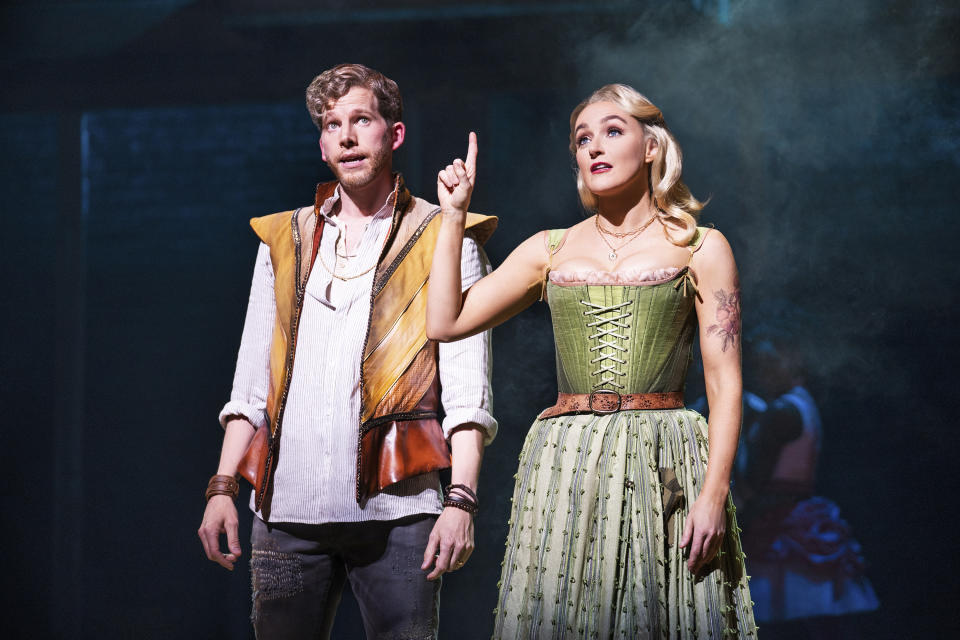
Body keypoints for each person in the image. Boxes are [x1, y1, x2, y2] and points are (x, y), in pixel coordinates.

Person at [427, 84, 757, 637]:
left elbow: (725, 382)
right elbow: (446, 323)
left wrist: (714, 494)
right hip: (568, 459)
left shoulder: (701, 246)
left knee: (665, 609)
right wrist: (453, 217)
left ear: (651, 147)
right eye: (583, 139)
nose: (595, 147)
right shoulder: (550, 248)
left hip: (665, 458)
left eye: (612, 131)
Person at [197, 63, 498, 640]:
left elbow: (468, 387)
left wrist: (461, 500)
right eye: (333, 124)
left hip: (399, 510)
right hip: (286, 511)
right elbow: (250, 383)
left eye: (362, 119)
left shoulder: (442, 236)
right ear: (321, 142)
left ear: (394, 133)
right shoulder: (286, 238)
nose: (348, 135)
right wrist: (221, 487)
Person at [737, 329, 878, 633]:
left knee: (782, 620)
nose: (764, 372)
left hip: (779, 520)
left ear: (793, 359)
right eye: (759, 365)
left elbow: (755, 482)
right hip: (798, 512)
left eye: (771, 362)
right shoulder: (802, 403)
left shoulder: (782, 411)